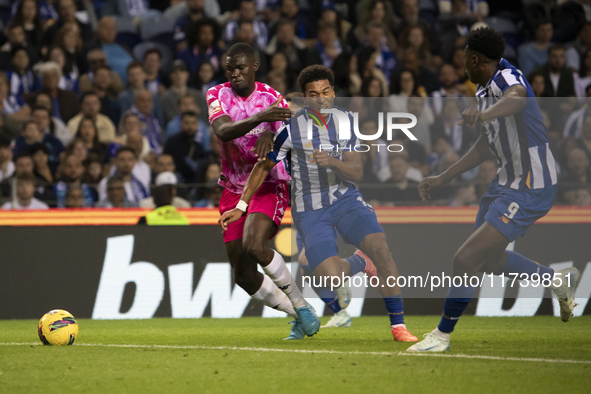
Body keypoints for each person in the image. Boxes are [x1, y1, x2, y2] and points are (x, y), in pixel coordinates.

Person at [408, 28, 581, 353]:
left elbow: (516, 98)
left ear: (475, 59)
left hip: (531, 184)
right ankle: (557, 281)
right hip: (506, 182)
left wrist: (484, 113)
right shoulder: (484, 88)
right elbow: (487, 145)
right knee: (487, 261)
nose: (462, 66)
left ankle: (441, 336)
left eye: (464, 60)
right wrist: (443, 177)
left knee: (465, 259)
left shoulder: (506, 77)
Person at [219, 64, 418, 342]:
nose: (321, 98)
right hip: (310, 211)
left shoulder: (347, 120)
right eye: (313, 94)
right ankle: (360, 262)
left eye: (326, 92)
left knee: (381, 249)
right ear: (306, 97)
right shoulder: (290, 131)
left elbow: (357, 171)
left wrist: (332, 162)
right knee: (330, 279)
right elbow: (263, 167)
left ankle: (399, 326)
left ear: (334, 93)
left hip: (347, 200)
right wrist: (241, 205)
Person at [208, 43, 319, 339]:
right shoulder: (217, 94)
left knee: (255, 246)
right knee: (243, 275)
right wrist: (261, 120)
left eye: (241, 67)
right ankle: (299, 311)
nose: (234, 73)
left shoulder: (273, 98)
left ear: (254, 67)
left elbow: (292, 129)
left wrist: (272, 130)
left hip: (269, 181)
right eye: (230, 68)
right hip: (233, 186)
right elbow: (222, 131)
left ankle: (300, 306)